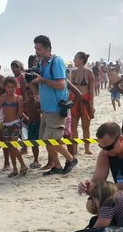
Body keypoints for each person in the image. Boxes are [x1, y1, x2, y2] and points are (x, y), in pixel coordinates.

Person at [29, 35, 77, 176]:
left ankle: (71, 159)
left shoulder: (56, 61)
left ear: (47, 48)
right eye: (35, 48)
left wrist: (42, 80)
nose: (36, 51)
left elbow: (62, 84)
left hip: (56, 108)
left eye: (38, 48)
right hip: (46, 108)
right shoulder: (42, 63)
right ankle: (57, 166)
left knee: (53, 139)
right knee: (46, 140)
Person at [0, 76, 28, 177]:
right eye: (8, 87)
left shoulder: (18, 98)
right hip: (5, 124)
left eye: (12, 87)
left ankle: (23, 165)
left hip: (15, 123)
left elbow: (19, 114)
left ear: (16, 87)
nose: (10, 89)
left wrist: (21, 105)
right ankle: (15, 169)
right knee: (10, 148)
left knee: (13, 145)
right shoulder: (2, 98)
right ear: (5, 87)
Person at [69, 51, 96, 155]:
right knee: (73, 127)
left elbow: (91, 90)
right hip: (75, 101)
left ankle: (86, 148)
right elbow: (71, 89)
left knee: (86, 127)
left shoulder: (89, 72)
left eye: (75, 58)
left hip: (85, 101)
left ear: (81, 60)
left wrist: (92, 104)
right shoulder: (73, 72)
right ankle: (74, 149)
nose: (74, 60)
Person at [22, 85, 42, 169]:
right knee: (33, 143)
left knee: (37, 143)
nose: (30, 96)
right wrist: (26, 118)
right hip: (30, 124)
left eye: (32, 94)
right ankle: (35, 159)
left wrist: (39, 111)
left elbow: (42, 112)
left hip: (38, 124)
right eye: (28, 94)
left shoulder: (38, 103)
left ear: (35, 94)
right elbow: (21, 112)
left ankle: (36, 159)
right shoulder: (26, 104)